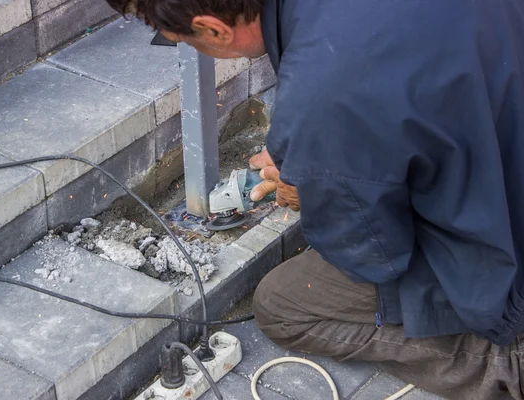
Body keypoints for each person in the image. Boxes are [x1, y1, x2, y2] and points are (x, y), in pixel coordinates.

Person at [105, 1, 524, 398]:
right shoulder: (327, 37)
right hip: (500, 153)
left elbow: (377, 256)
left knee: (281, 306)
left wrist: (317, 186)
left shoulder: (326, 88)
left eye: (187, 41)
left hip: (506, 261)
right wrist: (314, 141)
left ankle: (510, 360)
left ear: (212, 28)